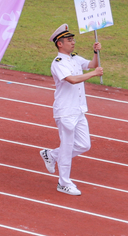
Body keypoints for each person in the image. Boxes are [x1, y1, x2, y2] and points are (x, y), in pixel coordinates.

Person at [39, 25, 103, 196]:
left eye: (73, 39)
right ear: (60, 44)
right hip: (66, 111)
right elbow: (72, 79)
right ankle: (63, 183)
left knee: (84, 144)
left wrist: (96, 53)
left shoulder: (74, 58)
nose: (73, 43)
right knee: (67, 147)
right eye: (69, 40)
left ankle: (51, 154)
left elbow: (91, 64)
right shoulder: (58, 63)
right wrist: (94, 74)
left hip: (79, 109)